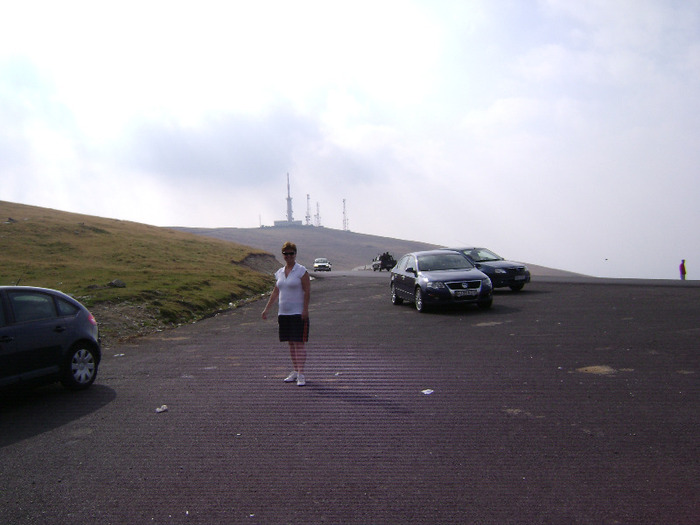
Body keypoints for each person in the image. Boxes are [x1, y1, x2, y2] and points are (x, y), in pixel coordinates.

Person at [261, 241, 311, 386]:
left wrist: (305, 309)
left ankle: (301, 373)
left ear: (295, 254)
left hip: (298, 313)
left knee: (299, 343)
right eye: (286, 254)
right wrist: (267, 309)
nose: (288, 256)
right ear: (283, 255)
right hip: (284, 313)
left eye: (291, 253)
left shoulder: (302, 271)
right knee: (290, 343)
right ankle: (295, 371)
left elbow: (307, 291)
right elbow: (276, 291)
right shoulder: (280, 273)